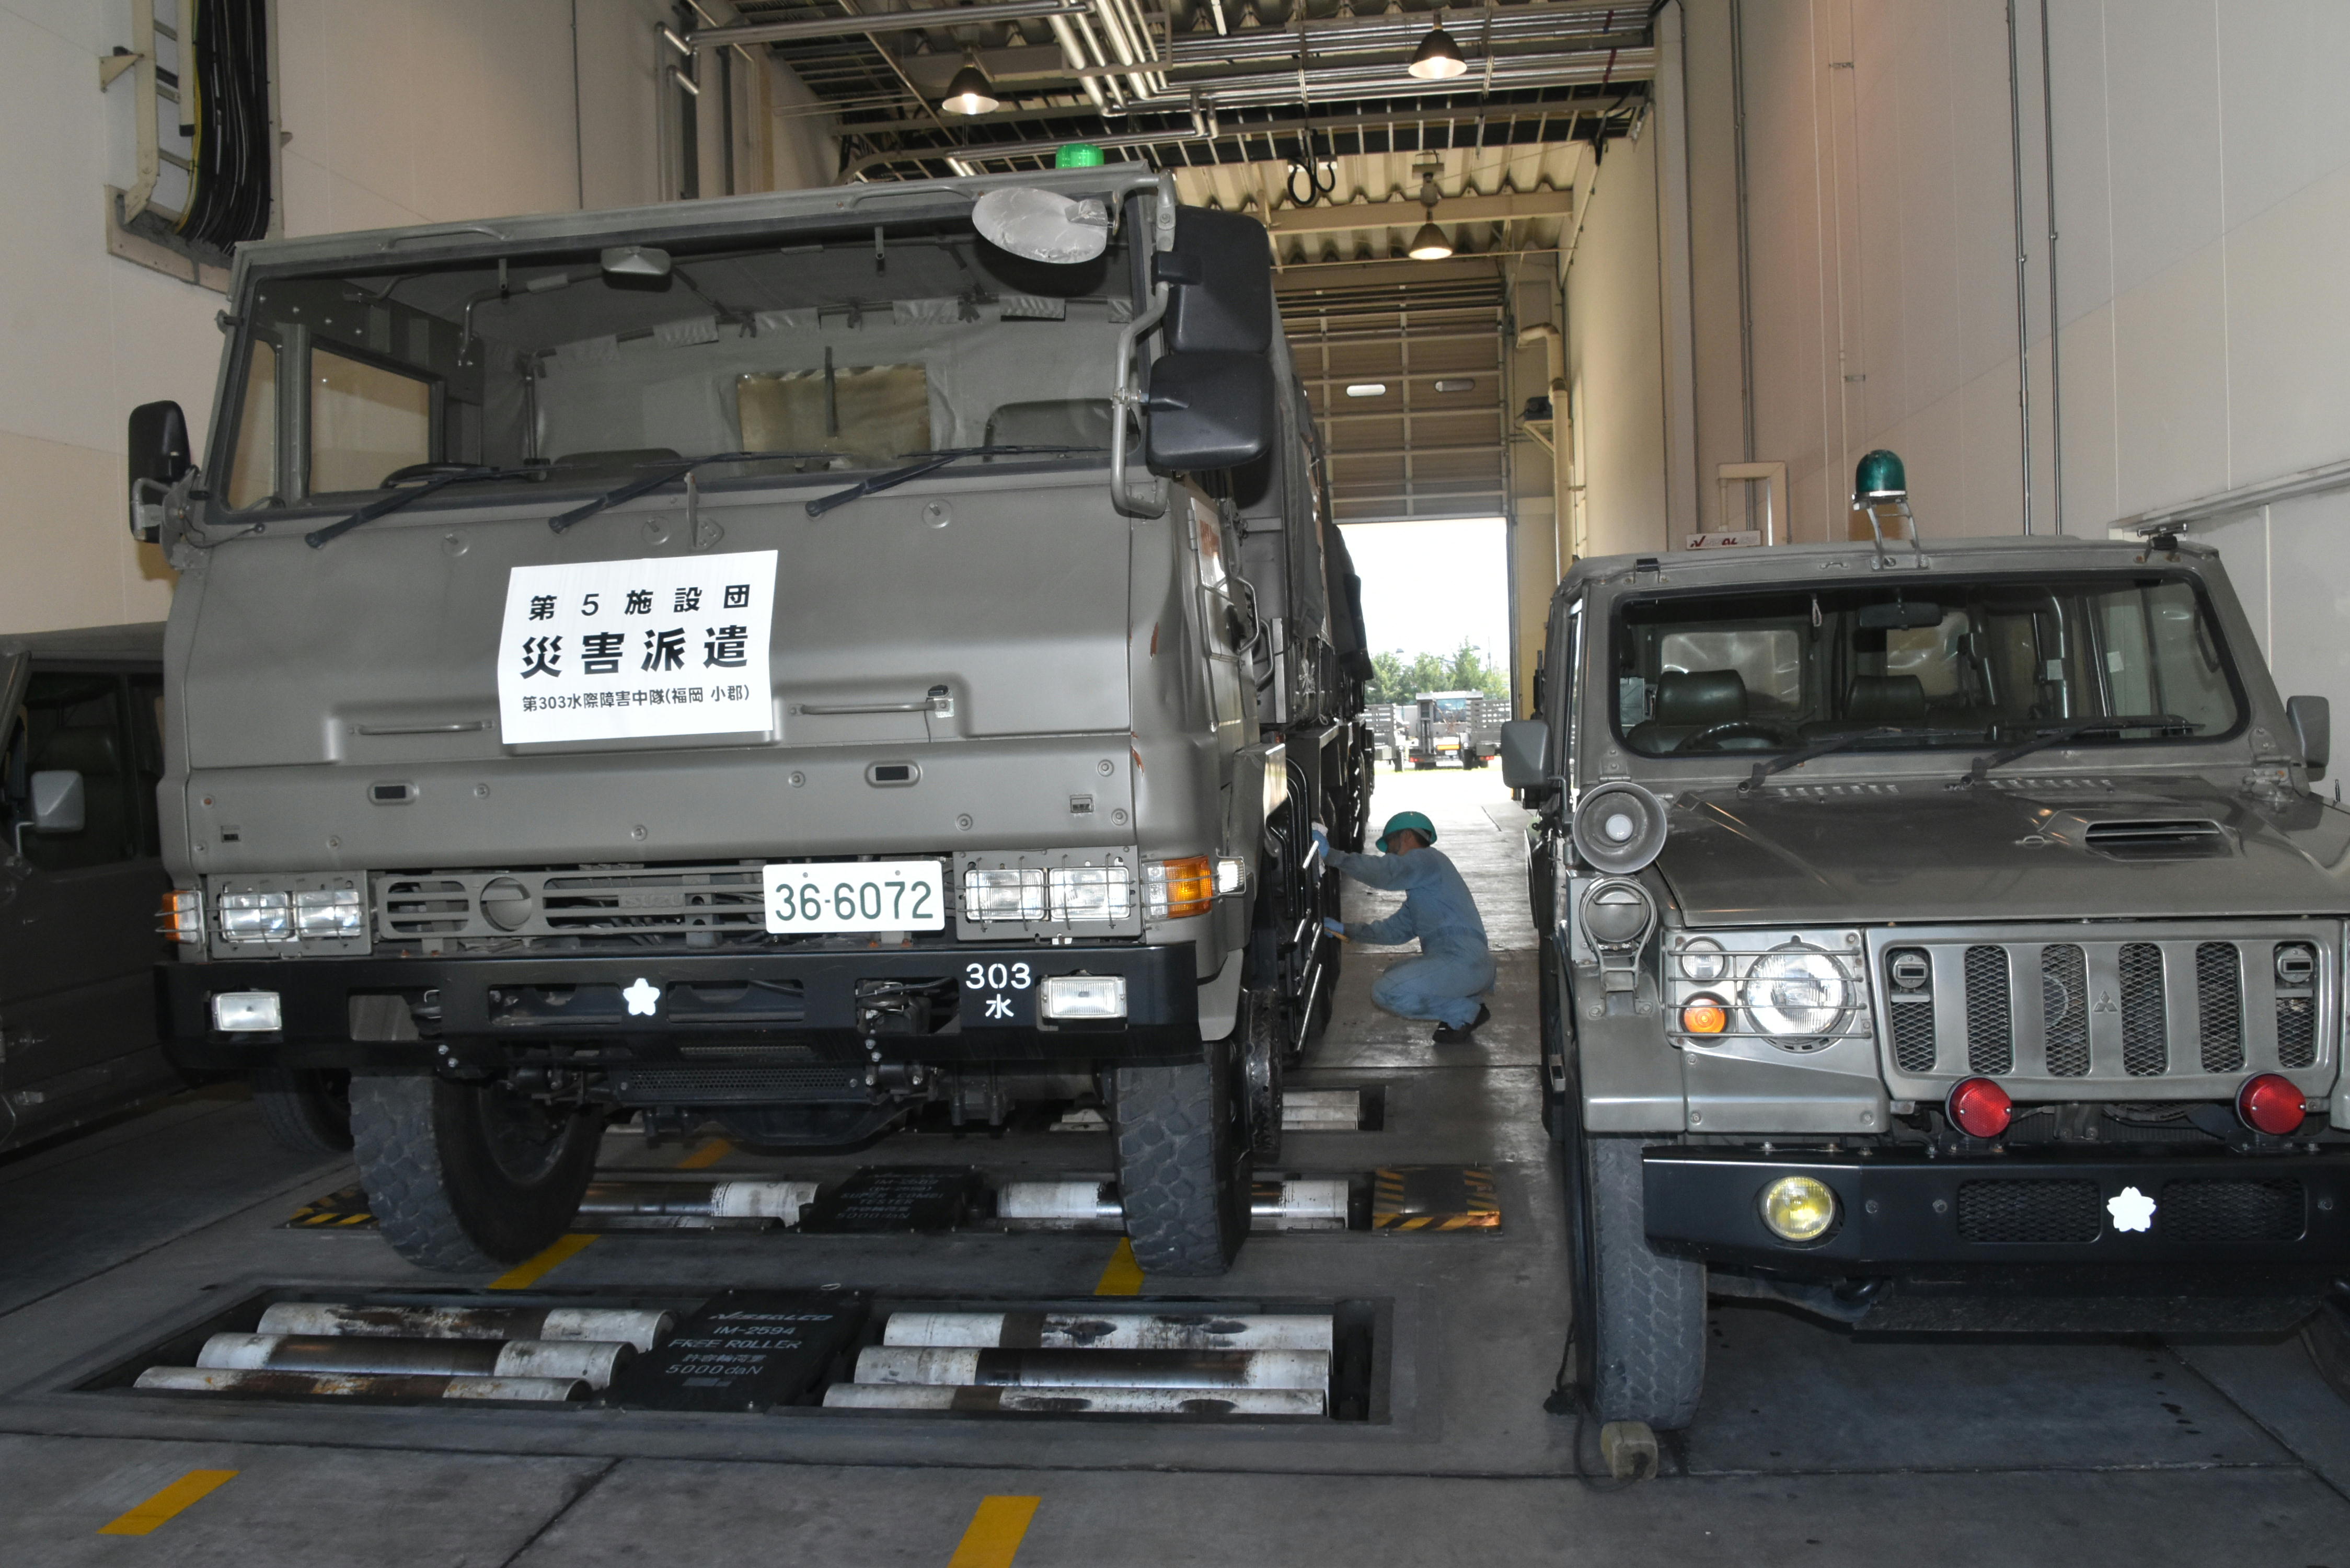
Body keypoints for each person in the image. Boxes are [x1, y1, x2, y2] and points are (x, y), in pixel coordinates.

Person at [1317, 810, 1495, 1043]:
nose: (1389, 853)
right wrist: (1346, 930)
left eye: (1391, 844)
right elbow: (1395, 931)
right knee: (1394, 975)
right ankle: (1468, 1008)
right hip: (1467, 964)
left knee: (1387, 990)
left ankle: (1464, 1012)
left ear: (1408, 837)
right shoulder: (1426, 887)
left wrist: (1332, 856)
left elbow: (1386, 872)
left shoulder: (1426, 858)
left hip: (1463, 961)